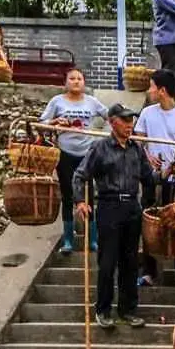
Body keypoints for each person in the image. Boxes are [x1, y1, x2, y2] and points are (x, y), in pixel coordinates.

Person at [73, 104, 156, 329]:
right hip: (109, 206)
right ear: (112, 122)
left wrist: (151, 200)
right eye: (125, 120)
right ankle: (103, 310)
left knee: (130, 262)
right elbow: (80, 175)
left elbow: (149, 179)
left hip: (132, 207)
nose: (130, 125)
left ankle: (128, 310)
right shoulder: (100, 148)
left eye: (131, 120)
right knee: (108, 262)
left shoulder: (136, 149)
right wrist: (81, 201)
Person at [135, 69, 175, 289]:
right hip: (153, 178)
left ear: (162, 90)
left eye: (152, 86)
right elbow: (139, 142)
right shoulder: (147, 114)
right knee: (150, 224)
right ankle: (149, 272)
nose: (150, 90)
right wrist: (147, 156)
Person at [39, 68, 108, 254]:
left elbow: (110, 116)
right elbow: (42, 123)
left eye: (79, 78)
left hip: (87, 153)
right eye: (72, 78)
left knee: (89, 193)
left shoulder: (92, 102)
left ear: (84, 82)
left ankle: (93, 239)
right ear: (66, 82)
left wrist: (103, 137)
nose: (76, 81)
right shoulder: (57, 102)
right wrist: (55, 123)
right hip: (65, 153)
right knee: (68, 196)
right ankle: (68, 240)